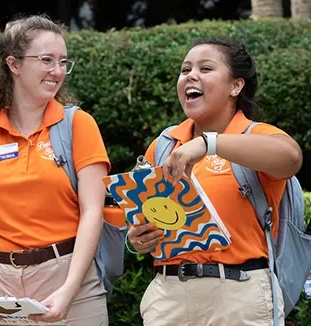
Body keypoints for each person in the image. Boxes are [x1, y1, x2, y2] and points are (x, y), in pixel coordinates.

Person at [127, 37, 303, 326]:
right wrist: (139, 238)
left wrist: (209, 144)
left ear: (236, 85)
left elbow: (291, 158)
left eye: (206, 68)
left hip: (239, 295)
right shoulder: (163, 145)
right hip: (168, 297)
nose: (190, 76)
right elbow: (152, 217)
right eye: (185, 70)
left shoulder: (255, 135)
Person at [0, 14, 110, 326]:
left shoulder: (78, 124)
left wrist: (68, 290)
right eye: (46, 60)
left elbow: (94, 211)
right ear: (13, 64)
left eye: (63, 61)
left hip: (69, 278)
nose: (57, 71)